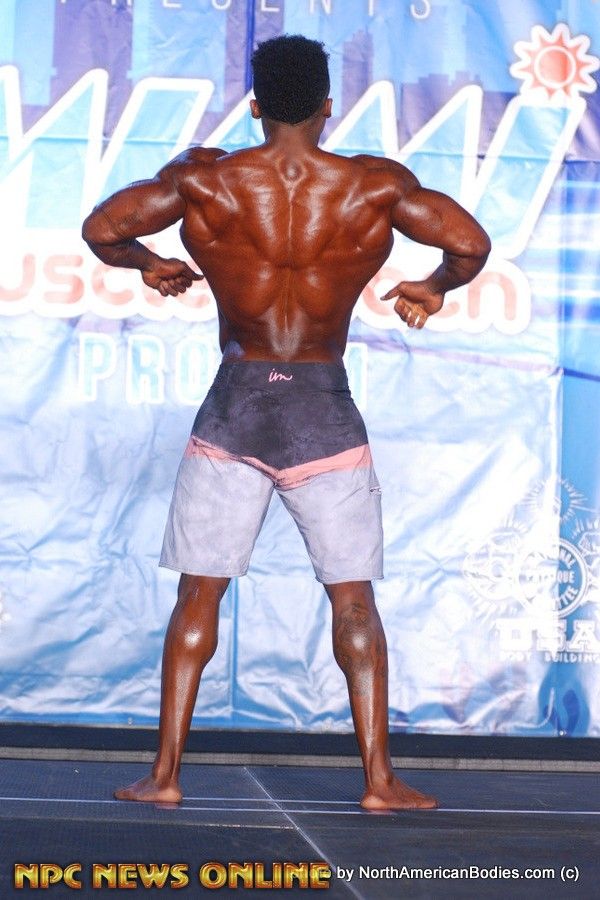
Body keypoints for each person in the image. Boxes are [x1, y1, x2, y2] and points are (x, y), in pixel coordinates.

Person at [82, 35, 490, 810]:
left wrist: (151, 264)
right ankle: (379, 782)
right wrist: (435, 285)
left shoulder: (205, 181)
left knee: (198, 598)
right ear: (329, 105)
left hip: (236, 406)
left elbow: (103, 228)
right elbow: (470, 244)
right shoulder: (374, 187)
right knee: (353, 600)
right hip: (321, 411)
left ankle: (164, 777)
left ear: (256, 106)